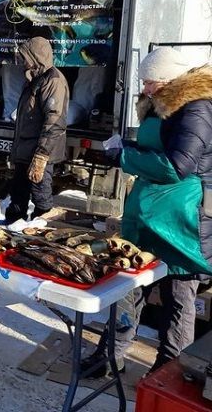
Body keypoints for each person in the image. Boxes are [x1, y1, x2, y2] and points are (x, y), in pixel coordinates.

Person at [82, 47, 212, 378]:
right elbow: (158, 150)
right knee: (127, 286)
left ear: (170, 78)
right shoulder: (163, 104)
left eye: (149, 81)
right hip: (148, 217)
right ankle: (110, 356)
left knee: (177, 300)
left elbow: (177, 166)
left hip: (180, 222)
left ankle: (166, 374)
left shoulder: (196, 109)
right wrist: (128, 148)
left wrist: (123, 158)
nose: (145, 89)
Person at [5, 36, 69, 224]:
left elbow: (54, 120)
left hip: (41, 152)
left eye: (25, 57)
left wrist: (41, 155)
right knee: (18, 193)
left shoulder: (53, 80)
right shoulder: (34, 79)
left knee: (41, 195)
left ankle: (41, 233)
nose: (22, 62)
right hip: (26, 149)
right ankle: (12, 228)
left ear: (35, 57)